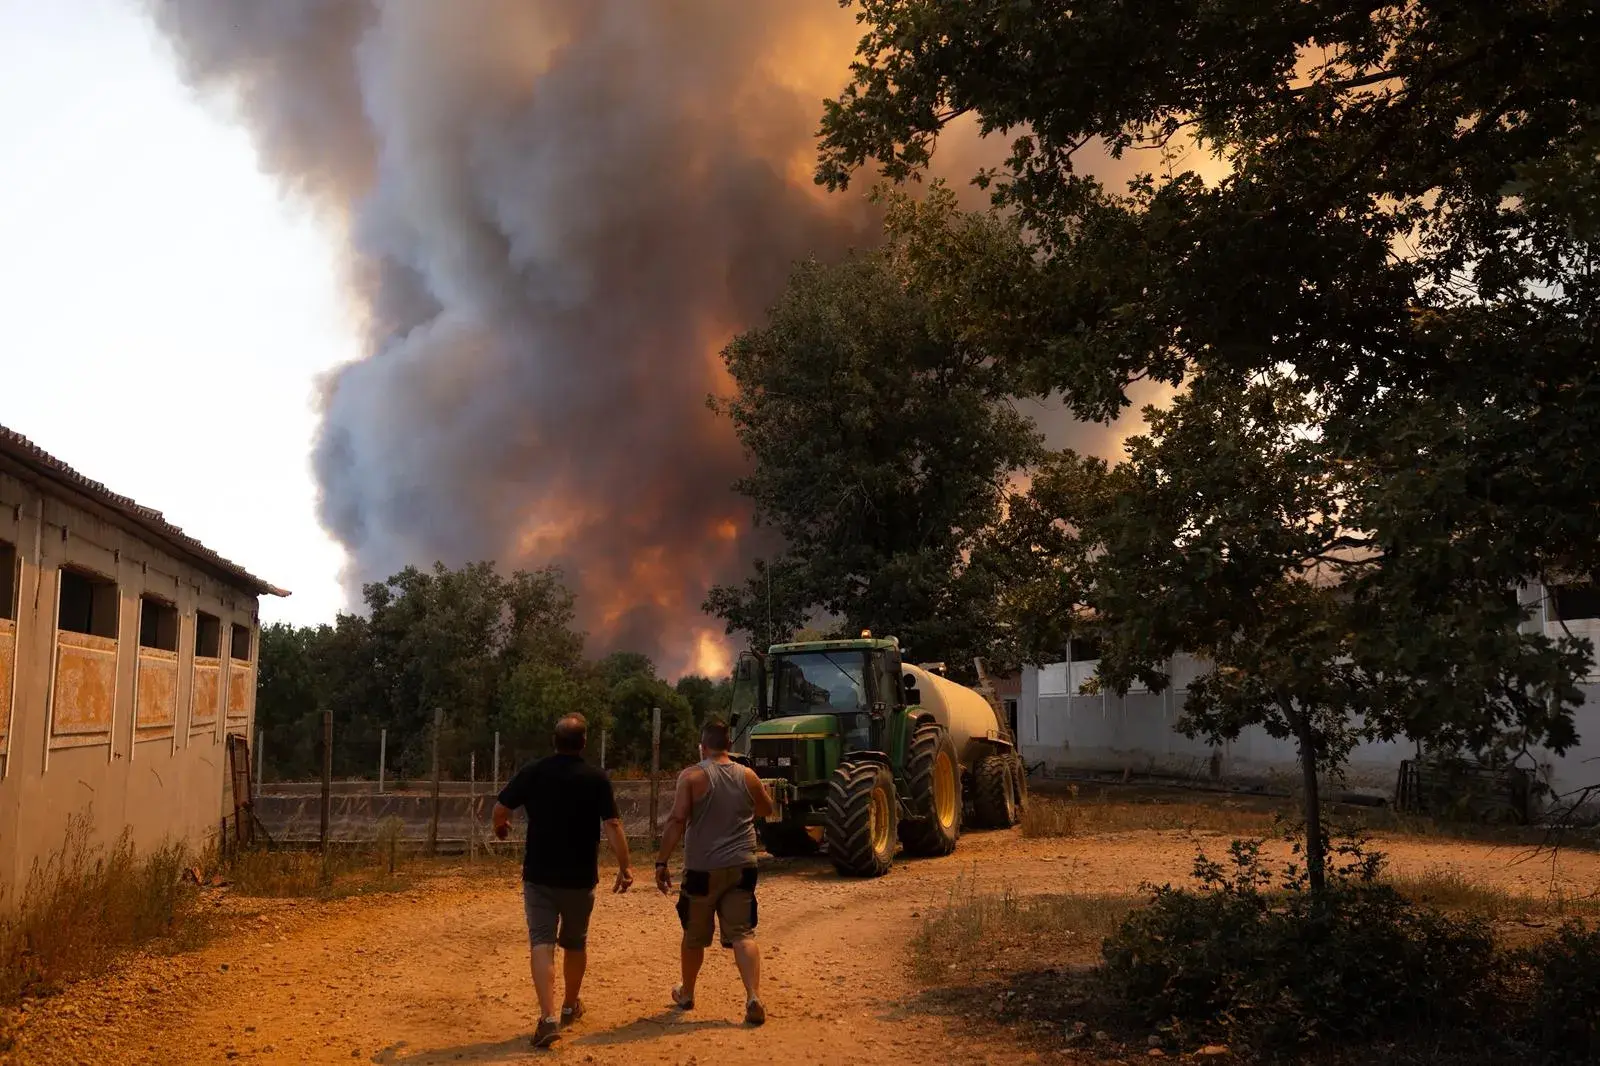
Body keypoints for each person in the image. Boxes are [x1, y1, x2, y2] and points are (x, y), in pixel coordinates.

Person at [493, 713, 633, 1050]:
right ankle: (570, 1005)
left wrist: (501, 828)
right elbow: (613, 825)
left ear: (554, 741)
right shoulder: (596, 778)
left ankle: (548, 1018)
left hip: (540, 875)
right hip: (580, 878)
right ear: (583, 743)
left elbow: (501, 808)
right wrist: (625, 866)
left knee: (542, 942)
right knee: (575, 942)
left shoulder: (534, 772)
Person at [654, 717, 774, 1026]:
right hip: (742, 867)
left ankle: (688, 993)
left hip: (702, 870)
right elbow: (766, 809)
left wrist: (662, 861)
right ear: (730, 746)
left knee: (694, 937)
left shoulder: (692, 777)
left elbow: (677, 820)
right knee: (743, 934)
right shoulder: (748, 776)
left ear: (702, 746)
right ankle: (753, 996)